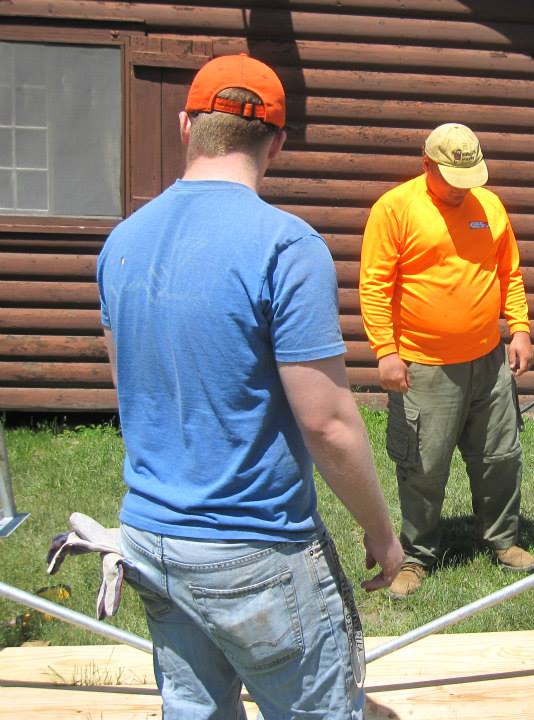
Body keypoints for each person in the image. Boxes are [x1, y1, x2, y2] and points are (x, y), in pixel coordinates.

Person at [97, 54, 403, 719]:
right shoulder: (285, 247)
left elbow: (131, 388)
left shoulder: (121, 243)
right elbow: (327, 424)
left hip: (151, 538)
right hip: (253, 549)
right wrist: (381, 534)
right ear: (278, 143)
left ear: (185, 126)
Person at [359, 122, 534, 599]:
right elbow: (375, 286)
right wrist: (386, 352)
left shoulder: (489, 206)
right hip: (423, 366)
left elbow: (509, 272)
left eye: (470, 179)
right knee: (423, 467)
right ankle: (416, 555)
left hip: (489, 362)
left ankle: (502, 539)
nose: (462, 190)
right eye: (453, 180)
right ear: (426, 164)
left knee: (500, 456)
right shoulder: (394, 209)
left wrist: (519, 327)